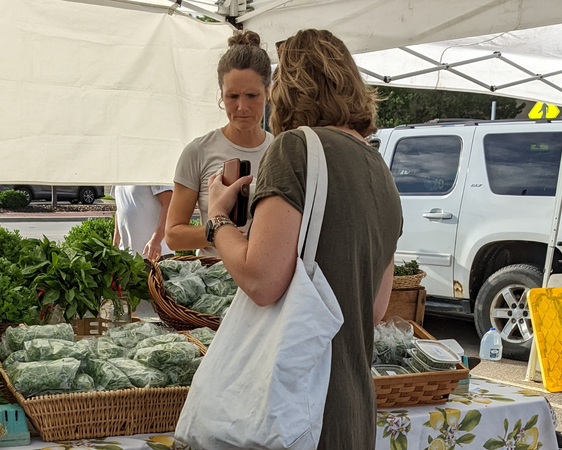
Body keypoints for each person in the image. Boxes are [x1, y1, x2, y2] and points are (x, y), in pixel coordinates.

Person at [206, 29, 403, 449]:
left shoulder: (296, 148)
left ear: (289, 87)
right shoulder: (381, 170)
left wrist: (217, 217)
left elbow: (260, 280)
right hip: (350, 410)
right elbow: (374, 309)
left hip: (294, 413)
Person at [165, 30, 273, 257]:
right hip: (214, 284)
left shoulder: (280, 151)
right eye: (232, 96)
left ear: (268, 93)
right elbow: (173, 235)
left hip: (267, 283)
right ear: (221, 94)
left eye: (252, 96)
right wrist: (222, 230)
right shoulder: (198, 151)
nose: (242, 107)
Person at [112, 186, 173, 261]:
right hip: (126, 257)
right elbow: (120, 210)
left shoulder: (155, 174)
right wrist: (114, 247)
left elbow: (169, 204)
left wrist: (156, 240)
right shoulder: (117, 177)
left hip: (154, 255)